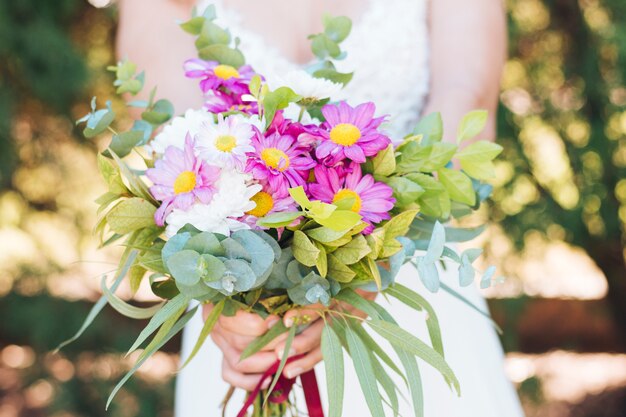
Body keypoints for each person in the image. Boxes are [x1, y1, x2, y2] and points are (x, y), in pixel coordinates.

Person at [117, 0, 525, 415]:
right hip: (240, 314)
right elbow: (174, 142)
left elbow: (467, 102)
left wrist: (367, 265)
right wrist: (223, 291)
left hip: (405, 281)